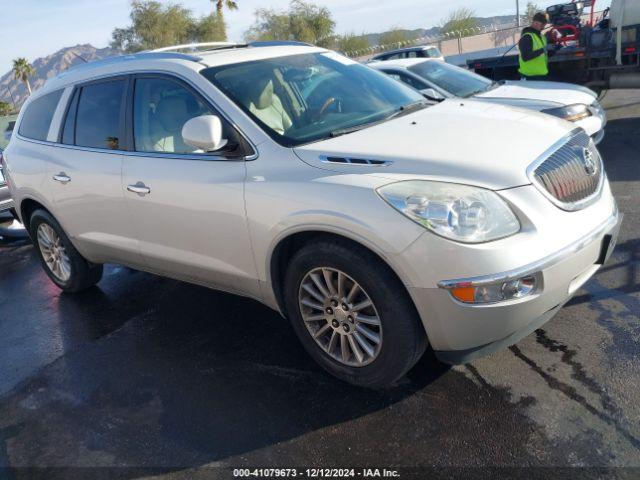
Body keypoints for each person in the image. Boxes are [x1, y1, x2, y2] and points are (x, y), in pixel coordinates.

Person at [519, 12, 553, 81]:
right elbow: (525, 57)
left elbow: (543, 55)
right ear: (535, 23)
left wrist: (554, 49)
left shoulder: (542, 37)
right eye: (543, 24)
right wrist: (543, 50)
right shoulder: (527, 37)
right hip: (529, 77)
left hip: (541, 75)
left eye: (545, 25)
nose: (543, 27)